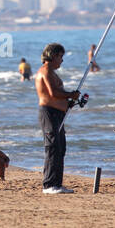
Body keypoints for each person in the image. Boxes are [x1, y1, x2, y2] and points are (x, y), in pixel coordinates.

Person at [36, 43, 80, 194]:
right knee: (53, 147)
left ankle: (57, 184)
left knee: (60, 148)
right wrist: (70, 94)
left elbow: (55, 96)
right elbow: (53, 93)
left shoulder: (53, 73)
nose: (62, 60)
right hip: (49, 113)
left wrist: (69, 102)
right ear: (53, 55)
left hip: (58, 113)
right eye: (61, 56)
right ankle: (49, 185)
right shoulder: (46, 71)